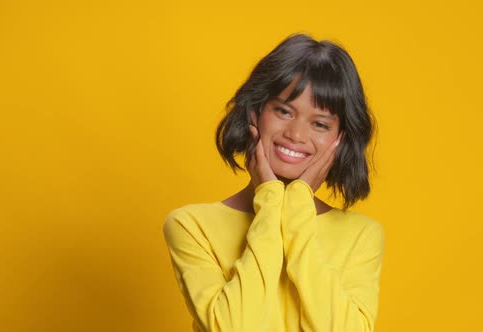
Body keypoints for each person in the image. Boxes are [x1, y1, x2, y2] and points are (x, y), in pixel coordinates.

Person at [163, 33, 384, 332]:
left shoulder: (362, 236)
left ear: (340, 139)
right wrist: (270, 200)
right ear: (255, 112)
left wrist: (297, 205)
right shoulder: (191, 225)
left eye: (319, 124)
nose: (295, 134)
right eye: (283, 111)